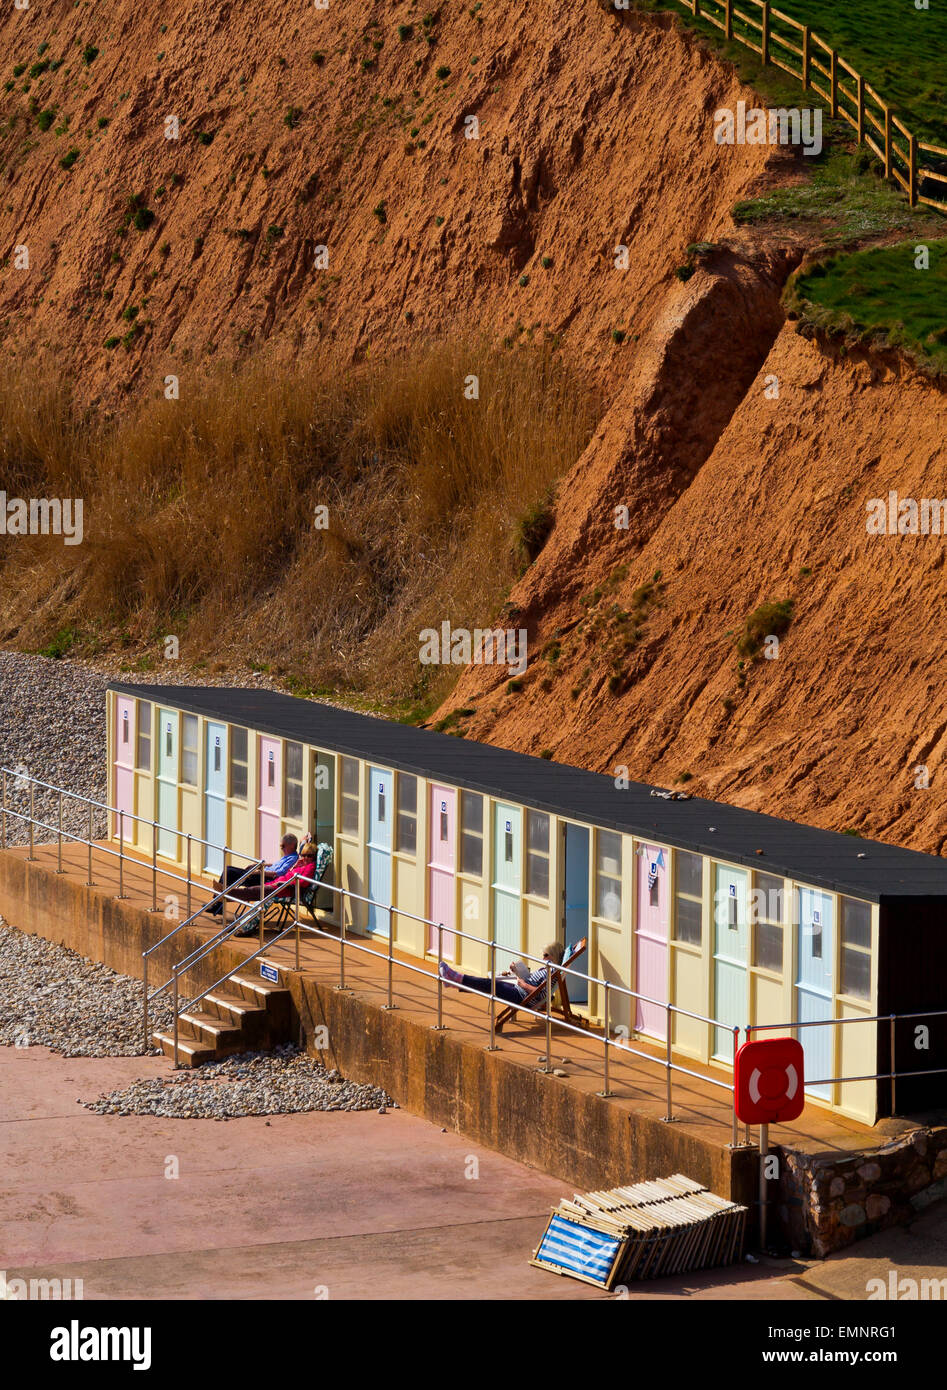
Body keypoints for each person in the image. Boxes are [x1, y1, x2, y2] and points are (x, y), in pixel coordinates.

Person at [230, 843, 321, 935]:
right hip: (277, 885)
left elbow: (302, 883)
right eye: (303, 855)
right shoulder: (302, 865)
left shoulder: (311, 867)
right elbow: (288, 874)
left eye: (309, 856)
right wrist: (296, 866)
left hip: (285, 889)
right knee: (254, 893)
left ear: (313, 857)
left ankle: (227, 894)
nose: (305, 858)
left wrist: (283, 883)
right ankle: (243, 923)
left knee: (254, 891)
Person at [439, 942, 565, 1006]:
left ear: (553, 955)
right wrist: (518, 971)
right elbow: (534, 982)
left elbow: (541, 993)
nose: (542, 958)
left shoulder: (553, 972)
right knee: (488, 985)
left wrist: (523, 984)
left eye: (545, 955)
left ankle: (454, 977)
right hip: (519, 989)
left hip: (520, 995)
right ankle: (452, 982)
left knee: (490, 984)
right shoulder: (548, 969)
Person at [205, 835, 299, 916]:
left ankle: (217, 903)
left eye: (283, 846)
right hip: (261, 875)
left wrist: (259, 872)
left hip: (264, 879)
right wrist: (262, 865)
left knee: (229, 872)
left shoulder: (293, 858)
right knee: (228, 869)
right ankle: (218, 903)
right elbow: (274, 866)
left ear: (291, 845)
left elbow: (279, 873)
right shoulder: (286, 856)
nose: (281, 848)